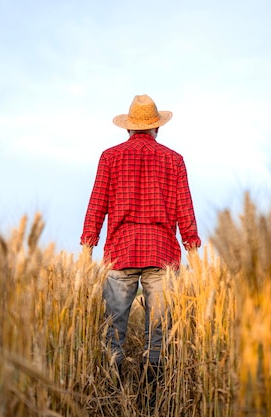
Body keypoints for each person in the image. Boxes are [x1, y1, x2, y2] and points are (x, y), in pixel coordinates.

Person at [80, 94, 201, 386]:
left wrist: (87, 248)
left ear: (128, 128)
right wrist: (194, 253)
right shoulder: (174, 160)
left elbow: (97, 204)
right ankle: (153, 394)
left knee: (114, 329)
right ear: (157, 128)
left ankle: (114, 390)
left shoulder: (110, 157)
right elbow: (185, 208)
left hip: (120, 252)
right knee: (159, 331)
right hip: (162, 253)